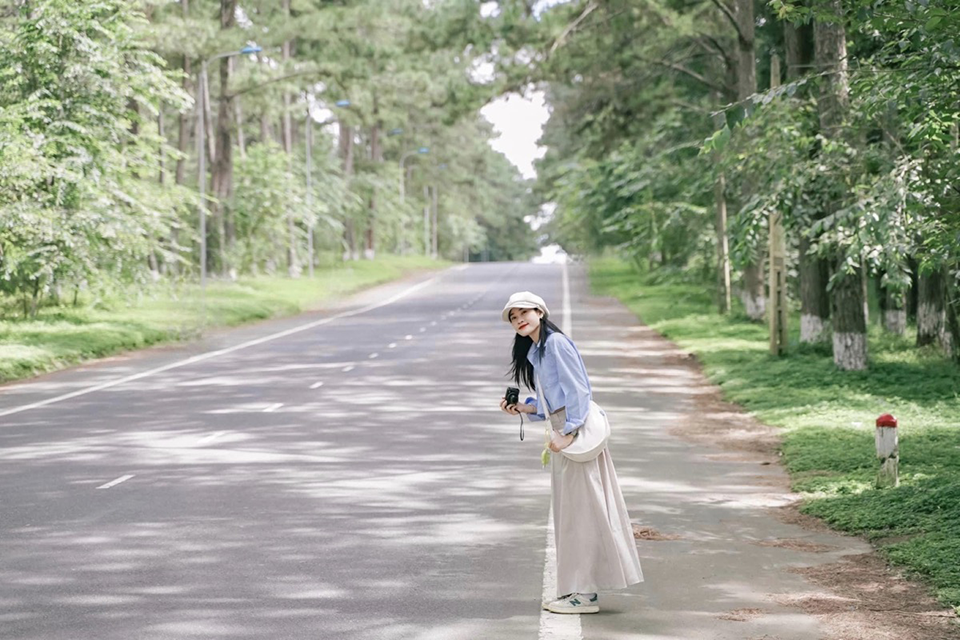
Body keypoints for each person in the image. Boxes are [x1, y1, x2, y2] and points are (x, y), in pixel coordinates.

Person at [498, 291, 643, 614]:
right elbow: (553, 399)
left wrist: (568, 432)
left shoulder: (556, 345)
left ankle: (586, 594)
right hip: (563, 430)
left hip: (574, 433)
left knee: (584, 512)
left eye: (524, 312)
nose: (519, 319)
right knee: (574, 514)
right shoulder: (538, 349)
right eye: (513, 316)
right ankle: (578, 588)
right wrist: (525, 407)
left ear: (540, 312)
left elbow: (579, 390)